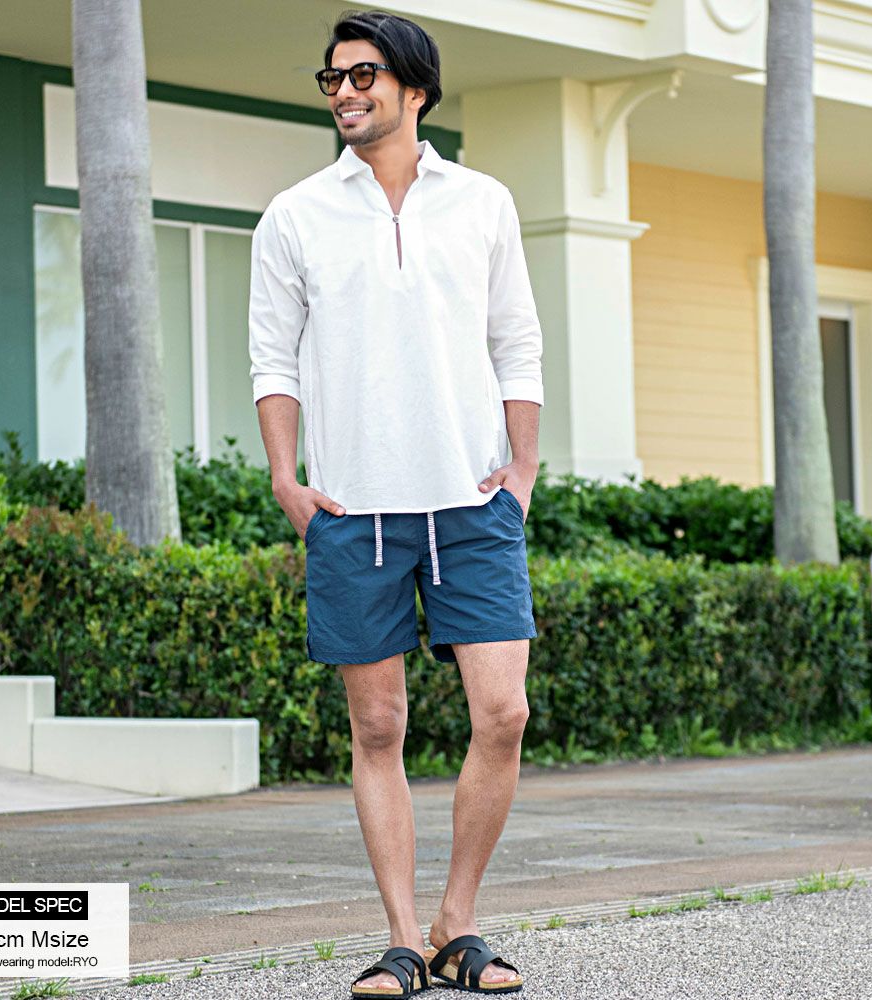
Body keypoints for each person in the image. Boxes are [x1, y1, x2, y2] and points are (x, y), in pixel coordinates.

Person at [248, 9, 543, 998]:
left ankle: (460, 923)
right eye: (331, 79)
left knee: (503, 712)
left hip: (472, 502)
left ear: (415, 88)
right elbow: (273, 359)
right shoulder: (295, 214)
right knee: (378, 728)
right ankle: (404, 939)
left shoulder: (482, 202)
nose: (344, 92)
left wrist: (523, 470)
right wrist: (287, 479)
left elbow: (517, 342)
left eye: (362, 75)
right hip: (354, 509)